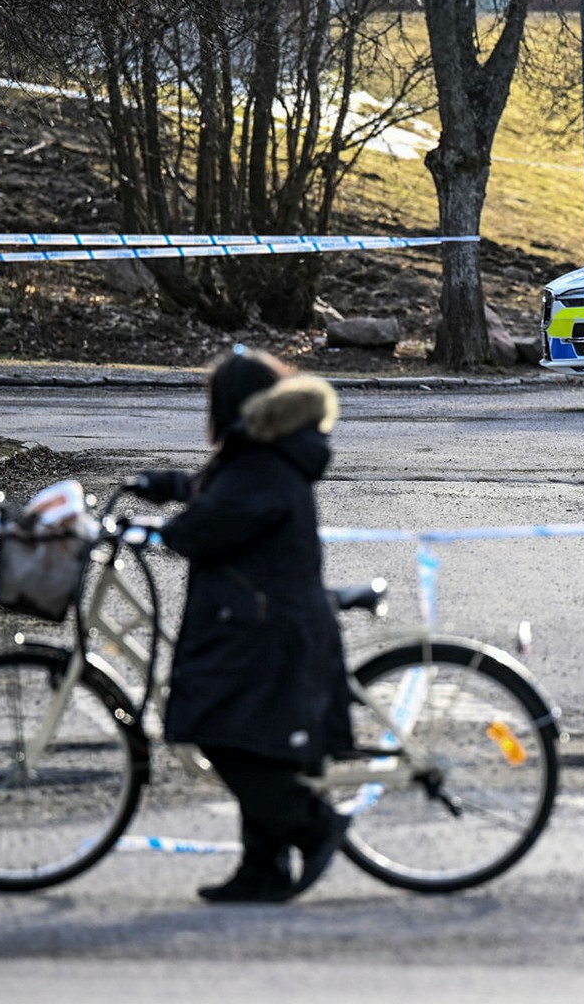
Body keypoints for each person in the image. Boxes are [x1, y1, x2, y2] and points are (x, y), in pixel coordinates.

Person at [131, 347, 352, 903]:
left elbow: (212, 522)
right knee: (260, 745)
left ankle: (312, 824)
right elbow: (222, 492)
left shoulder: (261, 464)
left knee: (219, 731)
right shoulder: (265, 451)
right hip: (268, 621)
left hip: (266, 631)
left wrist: (169, 530)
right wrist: (169, 486)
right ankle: (264, 870)